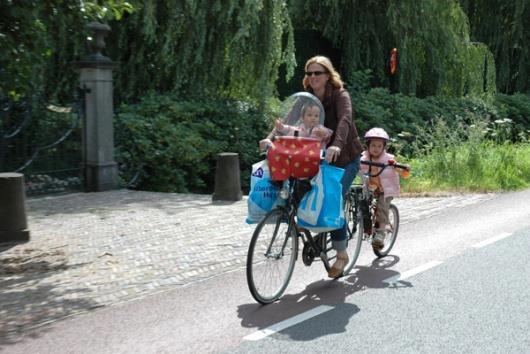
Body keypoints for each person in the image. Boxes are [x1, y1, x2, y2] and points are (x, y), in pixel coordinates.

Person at [301, 56, 363, 278]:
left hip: (345, 157)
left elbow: (345, 119)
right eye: (309, 73)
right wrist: (273, 136)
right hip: (316, 157)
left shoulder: (340, 94)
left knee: (332, 199)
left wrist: (336, 145)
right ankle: (306, 223)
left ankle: (341, 253)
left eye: (318, 73)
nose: (313, 77)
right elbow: (290, 120)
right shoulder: (307, 99)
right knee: (299, 187)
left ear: (328, 75)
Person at [360, 127, 409, 250]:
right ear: (367, 146)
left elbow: (400, 170)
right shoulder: (364, 158)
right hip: (371, 188)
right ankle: (366, 225)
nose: (376, 149)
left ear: (383, 147)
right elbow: (357, 167)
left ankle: (381, 233)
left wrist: (402, 168)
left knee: (382, 207)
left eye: (379, 146)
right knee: (362, 202)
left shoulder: (388, 159)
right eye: (373, 146)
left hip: (385, 190)